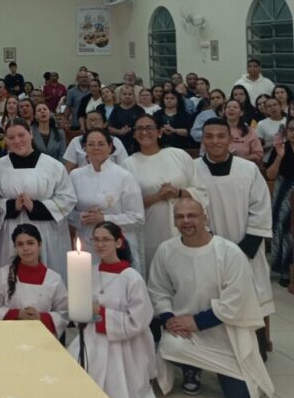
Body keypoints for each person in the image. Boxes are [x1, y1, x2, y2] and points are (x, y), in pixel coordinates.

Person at [149, 199, 274, 398]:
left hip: (226, 332)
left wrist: (197, 321)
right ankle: (192, 368)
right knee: (170, 346)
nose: (186, 221)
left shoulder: (229, 252)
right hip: (186, 334)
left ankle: (219, 369)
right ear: (174, 221)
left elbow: (237, 299)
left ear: (204, 217)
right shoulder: (166, 250)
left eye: (192, 215)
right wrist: (170, 318)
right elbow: (157, 289)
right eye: (180, 217)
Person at [67, 222, 156, 398]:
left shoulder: (131, 277)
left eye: (105, 239)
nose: (100, 244)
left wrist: (101, 311)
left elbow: (140, 319)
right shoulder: (89, 270)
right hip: (91, 335)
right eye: (96, 239)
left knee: (115, 393)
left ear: (118, 243)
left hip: (123, 344)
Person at [197, 119, 275, 328]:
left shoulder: (248, 169)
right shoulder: (193, 170)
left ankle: (256, 344)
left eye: (221, 136)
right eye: (209, 136)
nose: (215, 141)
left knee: (250, 296)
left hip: (246, 247)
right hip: (208, 249)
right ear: (202, 139)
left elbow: (261, 210)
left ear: (231, 139)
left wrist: (243, 250)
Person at [123, 114, 204, 278]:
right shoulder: (128, 164)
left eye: (149, 128)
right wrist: (158, 197)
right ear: (133, 133)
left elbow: (201, 192)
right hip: (151, 228)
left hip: (185, 225)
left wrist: (178, 192)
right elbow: (128, 206)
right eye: (139, 128)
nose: (144, 132)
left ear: (159, 132)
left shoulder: (178, 155)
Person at [0, 120, 76, 278]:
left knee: (46, 273)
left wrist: (36, 207)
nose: (17, 141)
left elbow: (67, 198)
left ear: (30, 134)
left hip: (45, 231)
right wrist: (11, 206)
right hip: (10, 230)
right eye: (11, 137)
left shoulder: (53, 166)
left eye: (21, 135)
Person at [68, 128, 145, 273]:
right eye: (91, 144)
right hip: (87, 242)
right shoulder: (75, 176)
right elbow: (68, 211)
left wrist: (104, 218)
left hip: (117, 244)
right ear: (84, 148)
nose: (96, 148)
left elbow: (137, 217)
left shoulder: (124, 176)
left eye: (101, 144)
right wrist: (81, 217)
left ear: (110, 147)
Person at [0, 223, 68, 337]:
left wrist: (40, 318)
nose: (25, 248)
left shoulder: (54, 279)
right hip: (9, 337)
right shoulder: (4, 275)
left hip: (42, 339)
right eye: (20, 244)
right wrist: (18, 314)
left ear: (40, 244)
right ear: (15, 248)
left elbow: (63, 313)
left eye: (30, 243)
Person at [266, 120, 294, 287]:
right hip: (284, 192)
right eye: (291, 129)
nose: (293, 133)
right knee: (283, 230)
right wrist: (280, 156)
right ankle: (284, 270)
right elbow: (270, 174)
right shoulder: (280, 149)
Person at [222, 99, 264, 163]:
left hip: (244, 167)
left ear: (241, 113)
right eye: (228, 107)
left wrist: (240, 159)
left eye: (235, 107)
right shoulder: (217, 130)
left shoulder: (250, 131)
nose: (231, 109)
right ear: (224, 112)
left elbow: (258, 154)